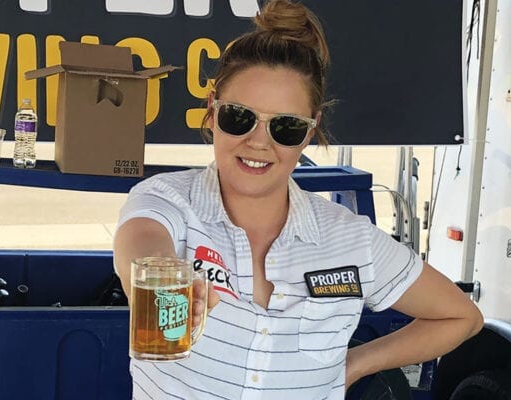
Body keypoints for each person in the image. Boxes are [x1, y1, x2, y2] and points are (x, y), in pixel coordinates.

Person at [112, 0, 484, 399]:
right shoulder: (167, 199)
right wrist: (166, 285)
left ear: (310, 131)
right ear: (212, 109)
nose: (258, 141)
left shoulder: (351, 239)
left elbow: (460, 316)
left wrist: (355, 364)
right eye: (239, 116)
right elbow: (142, 248)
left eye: (285, 127)